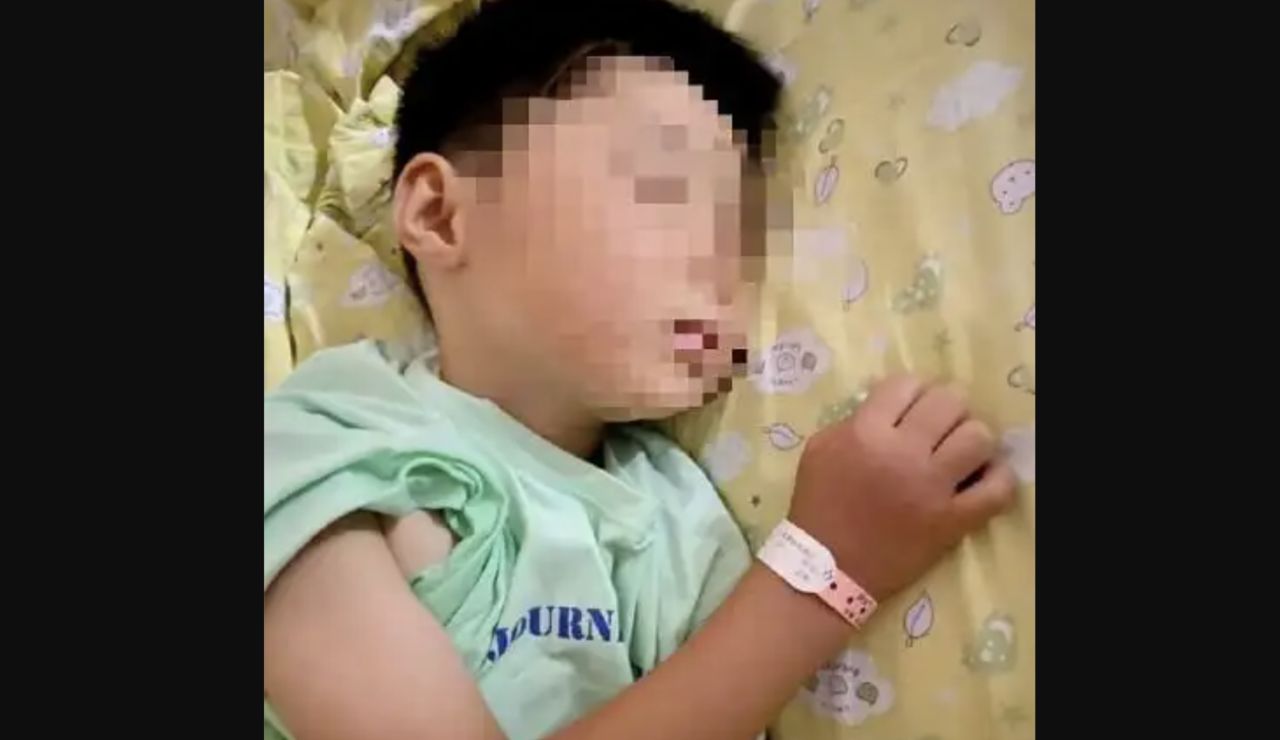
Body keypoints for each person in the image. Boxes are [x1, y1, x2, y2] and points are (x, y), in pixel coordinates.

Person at [262, 1, 1018, 738]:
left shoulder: (683, 518)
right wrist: (827, 569)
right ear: (440, 215)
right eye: (660, 188)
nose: (718, 270)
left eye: (741, 239)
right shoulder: (328, 436)